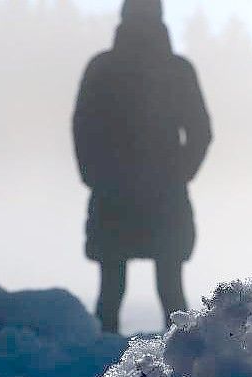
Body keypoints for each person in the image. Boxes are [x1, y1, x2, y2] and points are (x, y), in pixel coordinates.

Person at [73, 0, 212, 333]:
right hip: (160, 193)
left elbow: (82, 127)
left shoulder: (103, 67)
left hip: (117, 190)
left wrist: (93, 174)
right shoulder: (177, 69)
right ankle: (182, 362)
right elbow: (201, 132)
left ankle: (101, 361)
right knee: (170, 289)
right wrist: (181, 173)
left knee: (112, 288)